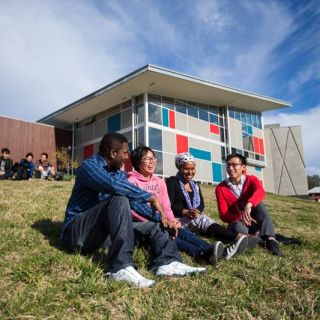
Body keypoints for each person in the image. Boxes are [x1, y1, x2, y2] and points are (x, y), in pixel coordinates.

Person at [61, 133, 205, 289]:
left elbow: (134, 203)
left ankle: (167, 263)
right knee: (119, 197)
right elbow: (114, 187)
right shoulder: (89, 167)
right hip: (77, 233)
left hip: (102, 235)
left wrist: (162, 218)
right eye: (124, 152)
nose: (127, 157)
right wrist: (151, 197)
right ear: (113, 153)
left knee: (153, 224)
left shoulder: (118, 173)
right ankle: (120, 268)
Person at [128, 146, 253, 263]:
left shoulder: (159, 181)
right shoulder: (132, 182)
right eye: (147, 159)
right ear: (137, 162)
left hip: (166, 220)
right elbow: (133, 209)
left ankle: (218, 250)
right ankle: (202, 254)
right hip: (149, 223)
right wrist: (161, 220)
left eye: (153, 158)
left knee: (184, 233)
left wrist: (171, 220)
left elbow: (166, 205)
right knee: (171, 236)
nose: (152, 162)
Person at [166, 152, 260, 252]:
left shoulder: (195, 185)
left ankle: (239, 239)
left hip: (194, 217)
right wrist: (185, 212)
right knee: (202, 221)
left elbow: (201, 204)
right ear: (180, 168)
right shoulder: (172, 182)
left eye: (192, 169)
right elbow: (169, 204)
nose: (190, 172)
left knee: (208, 223)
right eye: (186, 169)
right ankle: (240, 238)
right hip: (179, 219)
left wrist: (196, 211)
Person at [215, 153, 282, 256]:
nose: (230, 168)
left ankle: (271, 240)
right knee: (236, 227)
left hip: (256, 220)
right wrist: (240, 217)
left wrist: (249, 205)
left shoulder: (251, 180)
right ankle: (259, 236)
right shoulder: (220, 188)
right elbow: (223, 215)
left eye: (234, 165)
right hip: (239, 223)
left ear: (243, 167)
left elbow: (260, 191)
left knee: (259, 204)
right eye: (228, 165)